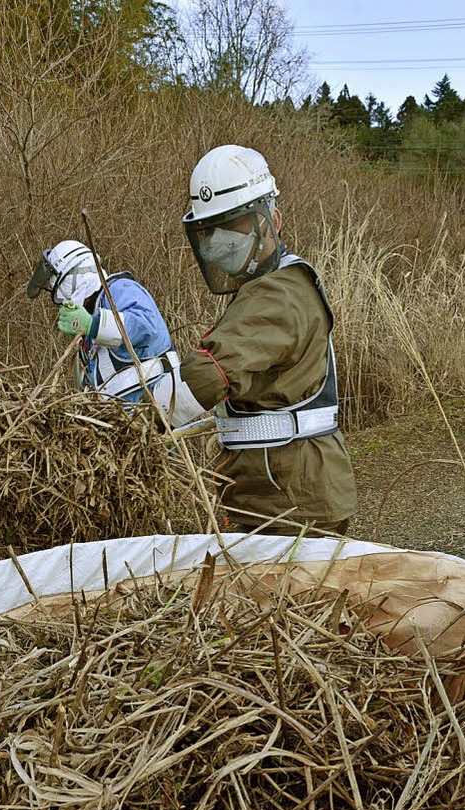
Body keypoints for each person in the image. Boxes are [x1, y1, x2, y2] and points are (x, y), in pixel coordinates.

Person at [153, 144, 357, 535]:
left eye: (236, 225)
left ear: (272, 220)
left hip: (291, 498)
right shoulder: (264, 284)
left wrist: (131, 420)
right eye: (211, 231)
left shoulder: (278, 294)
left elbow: (207, 376)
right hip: (271, 487)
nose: (221, 240)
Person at [27, 240, 180, 406]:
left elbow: (147, 326)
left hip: (158, 404)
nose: (60, 300)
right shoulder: (92, 324)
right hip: (130, 420)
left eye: (59, 290)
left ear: (74, 278)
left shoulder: (119, 289)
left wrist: (93, 325)